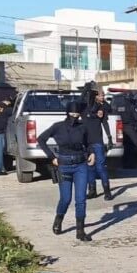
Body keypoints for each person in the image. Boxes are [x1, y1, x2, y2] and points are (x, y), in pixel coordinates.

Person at [37, 101, 95, 242]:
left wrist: (92, 152)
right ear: (67, 113)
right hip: (64, 165)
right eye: (72, 113)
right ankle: (58, 220)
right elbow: (41, 139)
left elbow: (89, 142)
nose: (74, 116)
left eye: (77, 114)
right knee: (66, 198)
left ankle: (80, 231)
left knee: (81, 199)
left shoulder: (83, 127)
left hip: (81, 165)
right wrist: (51, 157)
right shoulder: (58, 127)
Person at [85, 90, 115, 201]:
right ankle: (92, 190)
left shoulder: (101, 108)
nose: (102, 97)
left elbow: (105, 122)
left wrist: (110, 137)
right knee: (89, 167)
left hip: (97, 141)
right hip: (87, 142)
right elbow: (89, 107)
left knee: (100, 167)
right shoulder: (86, 107)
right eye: (100, 95)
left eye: (103, 95)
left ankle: (107, 191)